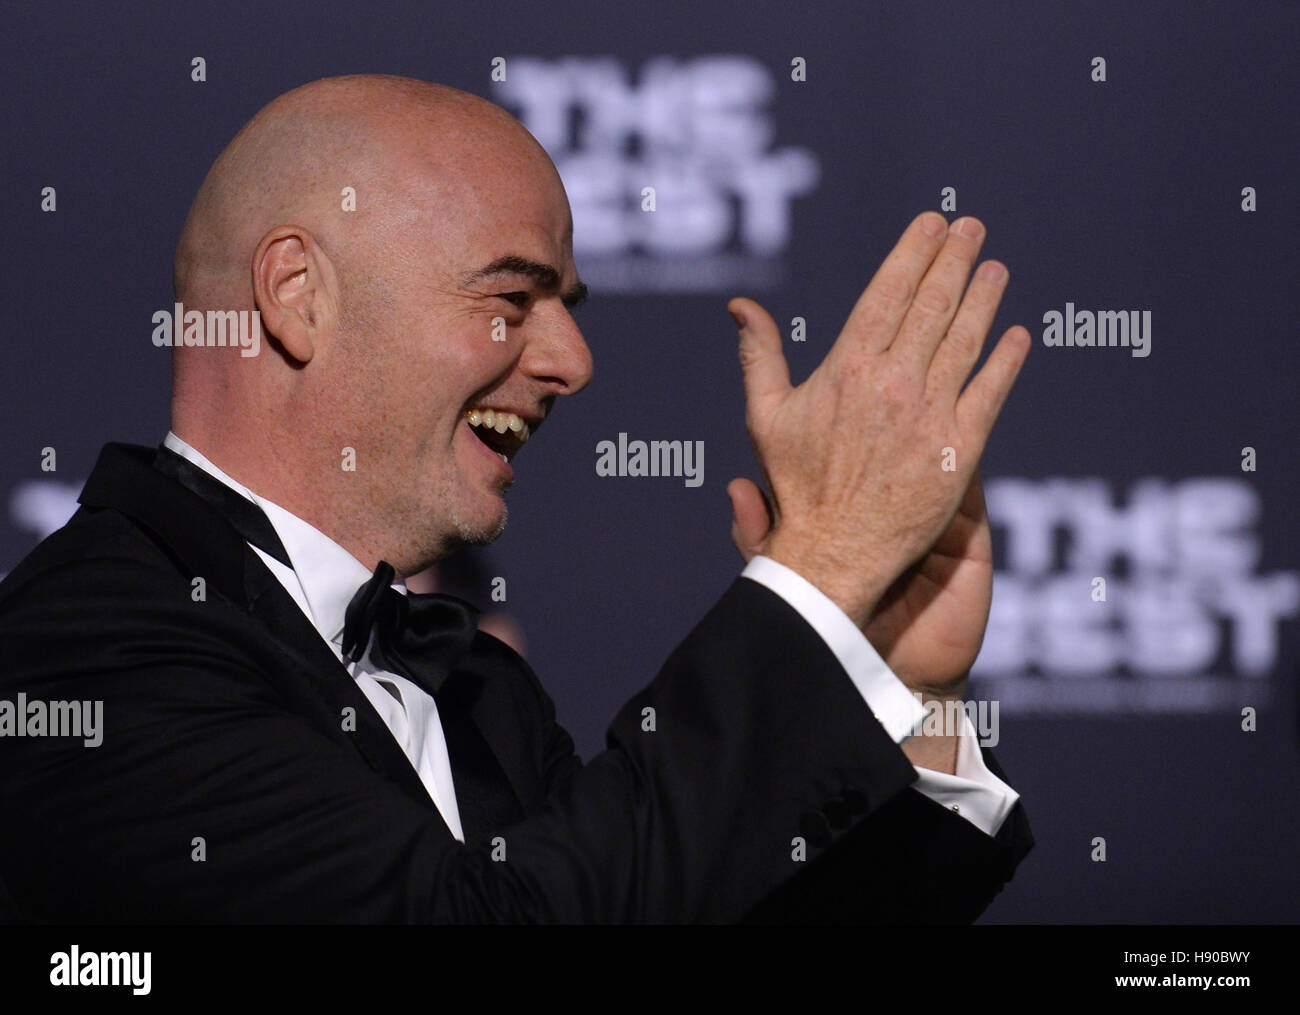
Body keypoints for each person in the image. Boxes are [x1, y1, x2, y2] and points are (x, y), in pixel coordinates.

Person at [0, 74, 1033, 923]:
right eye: (509, 299)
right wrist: (819, 576)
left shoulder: (479, 689)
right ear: (297, 296)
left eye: (565, 306)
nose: (572, 360)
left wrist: (890, 673)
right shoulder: (85, 651)